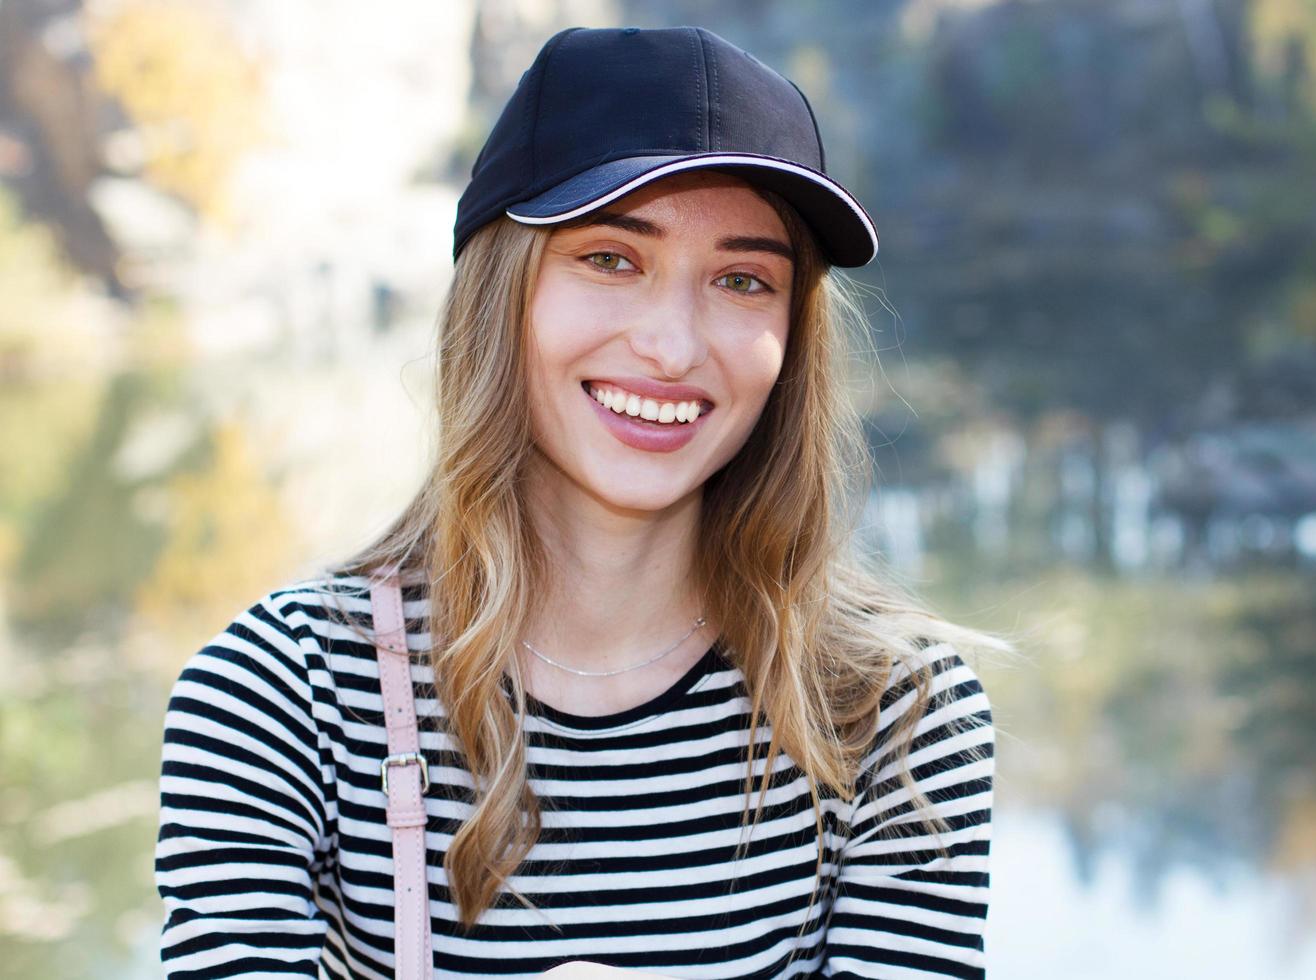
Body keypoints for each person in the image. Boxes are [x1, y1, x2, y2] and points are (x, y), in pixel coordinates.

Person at [154, 24, 1004, 980]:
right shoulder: (281, 697)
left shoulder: (893, 710)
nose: (674, 346)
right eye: (611, 258)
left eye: (741, 280)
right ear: (499, 294)